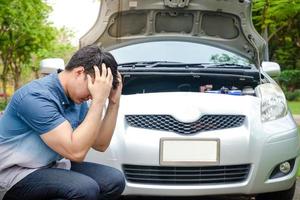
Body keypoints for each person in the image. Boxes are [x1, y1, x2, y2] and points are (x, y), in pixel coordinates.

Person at [0, 45, 125, 200]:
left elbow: (100, 144)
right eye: (93, 87)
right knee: (84, 189)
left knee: (114, 180)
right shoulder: (35, 97)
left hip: (51, 166)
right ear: (79, 73)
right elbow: (76, 152)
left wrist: (113, 103)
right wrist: (99, 101)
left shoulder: (75, 99)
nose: (93, 95)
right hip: (15, 173)